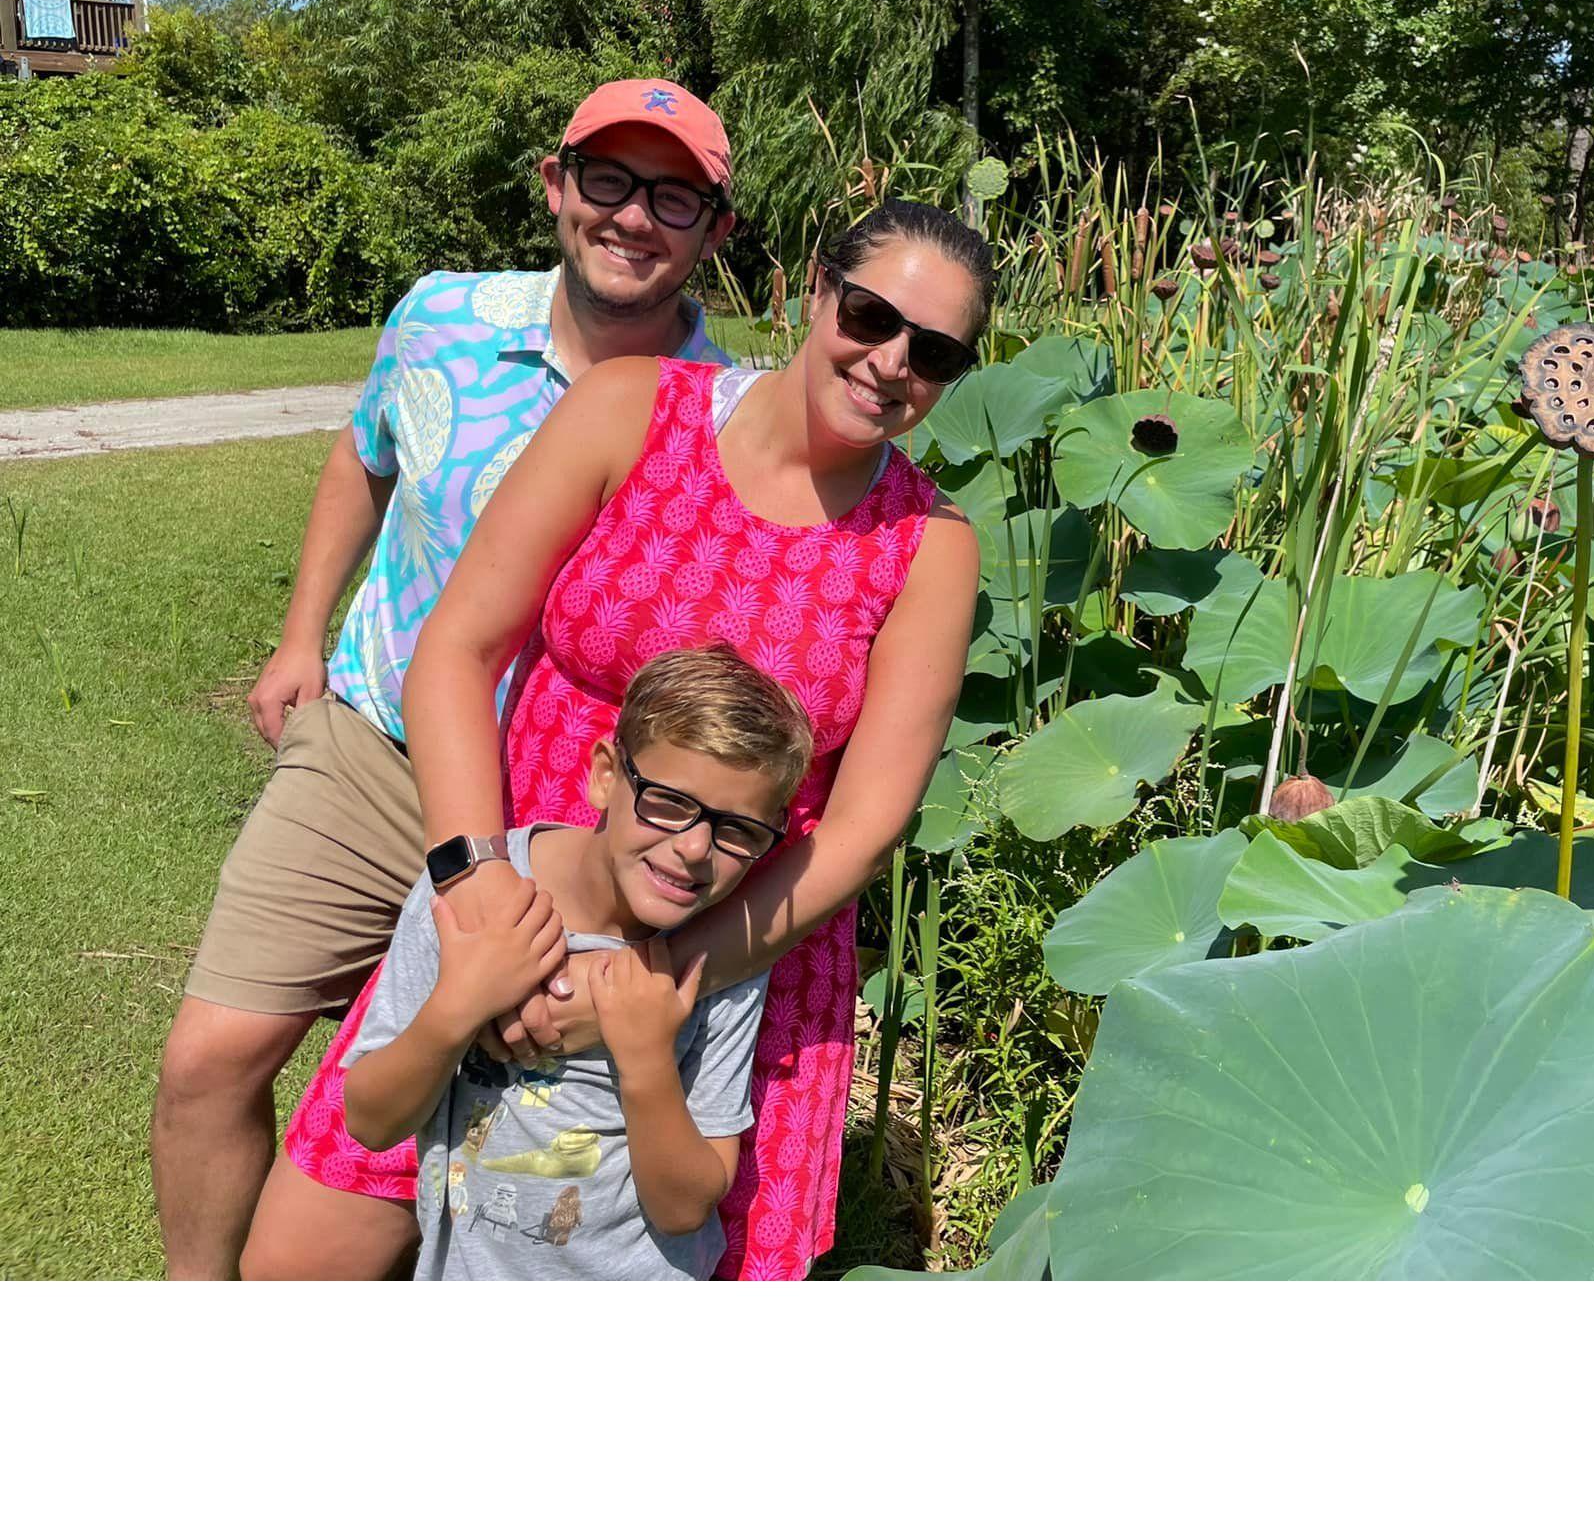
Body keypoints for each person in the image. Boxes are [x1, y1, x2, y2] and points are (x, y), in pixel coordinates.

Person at [252, 197, 987, 1280]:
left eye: (932, 351)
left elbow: (863, 826)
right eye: (870, 316)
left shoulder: (927, 543)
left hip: (733, 946)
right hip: (518, 885)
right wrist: (476, 887)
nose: (888, 362)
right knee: (299, 1266)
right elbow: (457, 648)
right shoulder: (631, 407)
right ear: (815, 289)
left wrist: (653, 979)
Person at [151, 78, 737, 1281]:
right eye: (609, 180)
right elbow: (364, 459)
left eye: (674, 195)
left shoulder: (720, 411)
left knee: (499, 1090)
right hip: (376, 746)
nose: (634, 217)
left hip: (557, 806)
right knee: (209, 1057)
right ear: (555, 184)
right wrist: (300, 629)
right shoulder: (440, 319)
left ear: (716, 229)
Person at [341, 646, 813, 1281]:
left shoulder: (724, 958)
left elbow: (684, 1207)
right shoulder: (472, 903)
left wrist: (646, 1057)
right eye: (670, 802)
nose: (695, 848)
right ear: (605, 775)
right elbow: (370, 1121)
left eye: (738, 832)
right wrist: (461, 1002)